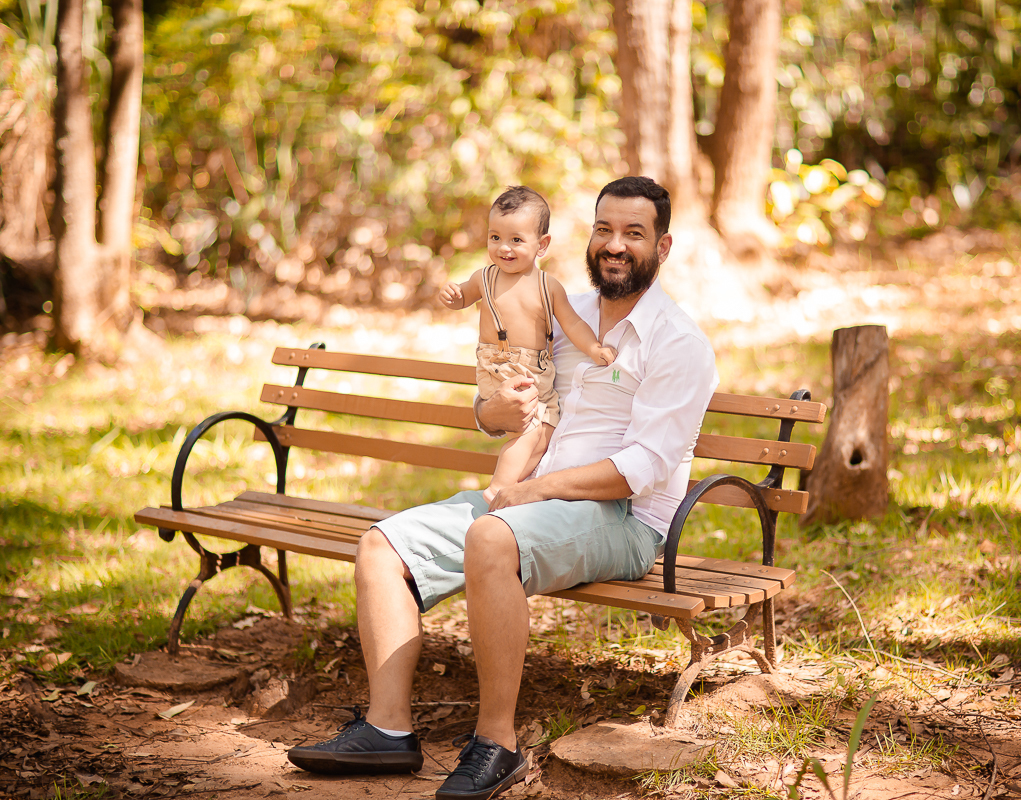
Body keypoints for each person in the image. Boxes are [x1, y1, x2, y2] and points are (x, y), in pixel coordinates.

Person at [286, 177, 719, 800]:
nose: (615, 245)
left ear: (664, 245)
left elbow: (641, 469)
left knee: (491, 538)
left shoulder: (678, 343)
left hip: (623, 517)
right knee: (382, 545)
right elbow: (492, 412)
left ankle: (497, 744)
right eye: (604, 230)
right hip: (534, 492)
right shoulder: (561, 310)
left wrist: (533, 493)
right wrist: (501, 411)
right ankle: (387, 731)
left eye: (633, 233)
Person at [437, 186, 616, 502]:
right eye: (495, 238)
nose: (503, 248)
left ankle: (518, 484)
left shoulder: (548, 288)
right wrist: (455, 298)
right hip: (501, 365)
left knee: (544, 432)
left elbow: (572, 323)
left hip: (534, 366)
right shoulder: (485, 278)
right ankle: (499, 489)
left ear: (542, 244)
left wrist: (593, 347)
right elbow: (464, 295)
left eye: (516, 240)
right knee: (534, 429)